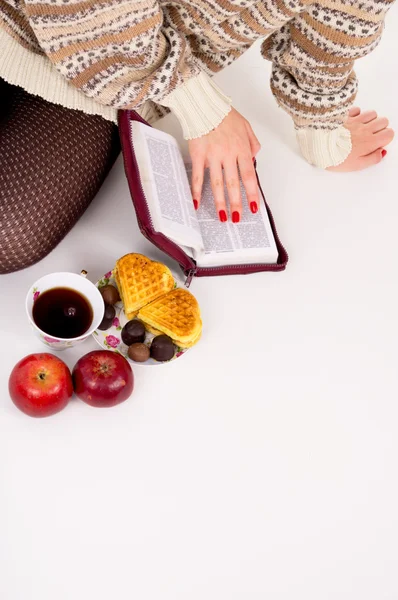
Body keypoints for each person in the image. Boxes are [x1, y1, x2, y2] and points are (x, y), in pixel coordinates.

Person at [0, 0, 395, 274]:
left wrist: (319, 118)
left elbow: (343, 18)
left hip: (106, 70)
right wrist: (197, 104)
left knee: (9, 234)